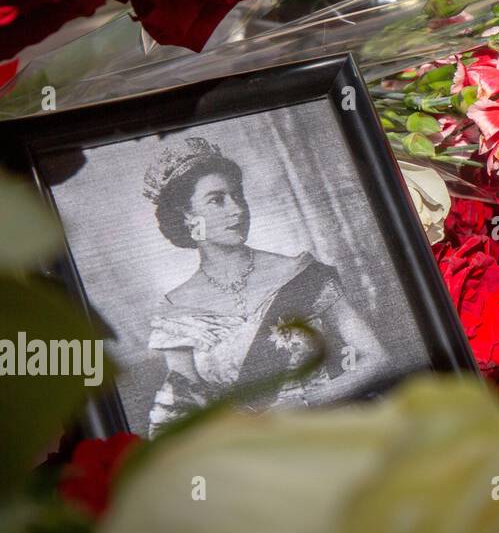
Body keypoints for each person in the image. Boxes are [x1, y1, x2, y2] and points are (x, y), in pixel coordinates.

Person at [142, 136, 386, 435]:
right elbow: (185, 412)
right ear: (187, 217)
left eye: (238, 196)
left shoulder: (299, 272)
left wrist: (308, 401)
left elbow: (378, 359)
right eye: (216, 200)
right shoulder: (175, 310)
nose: (237, 210)